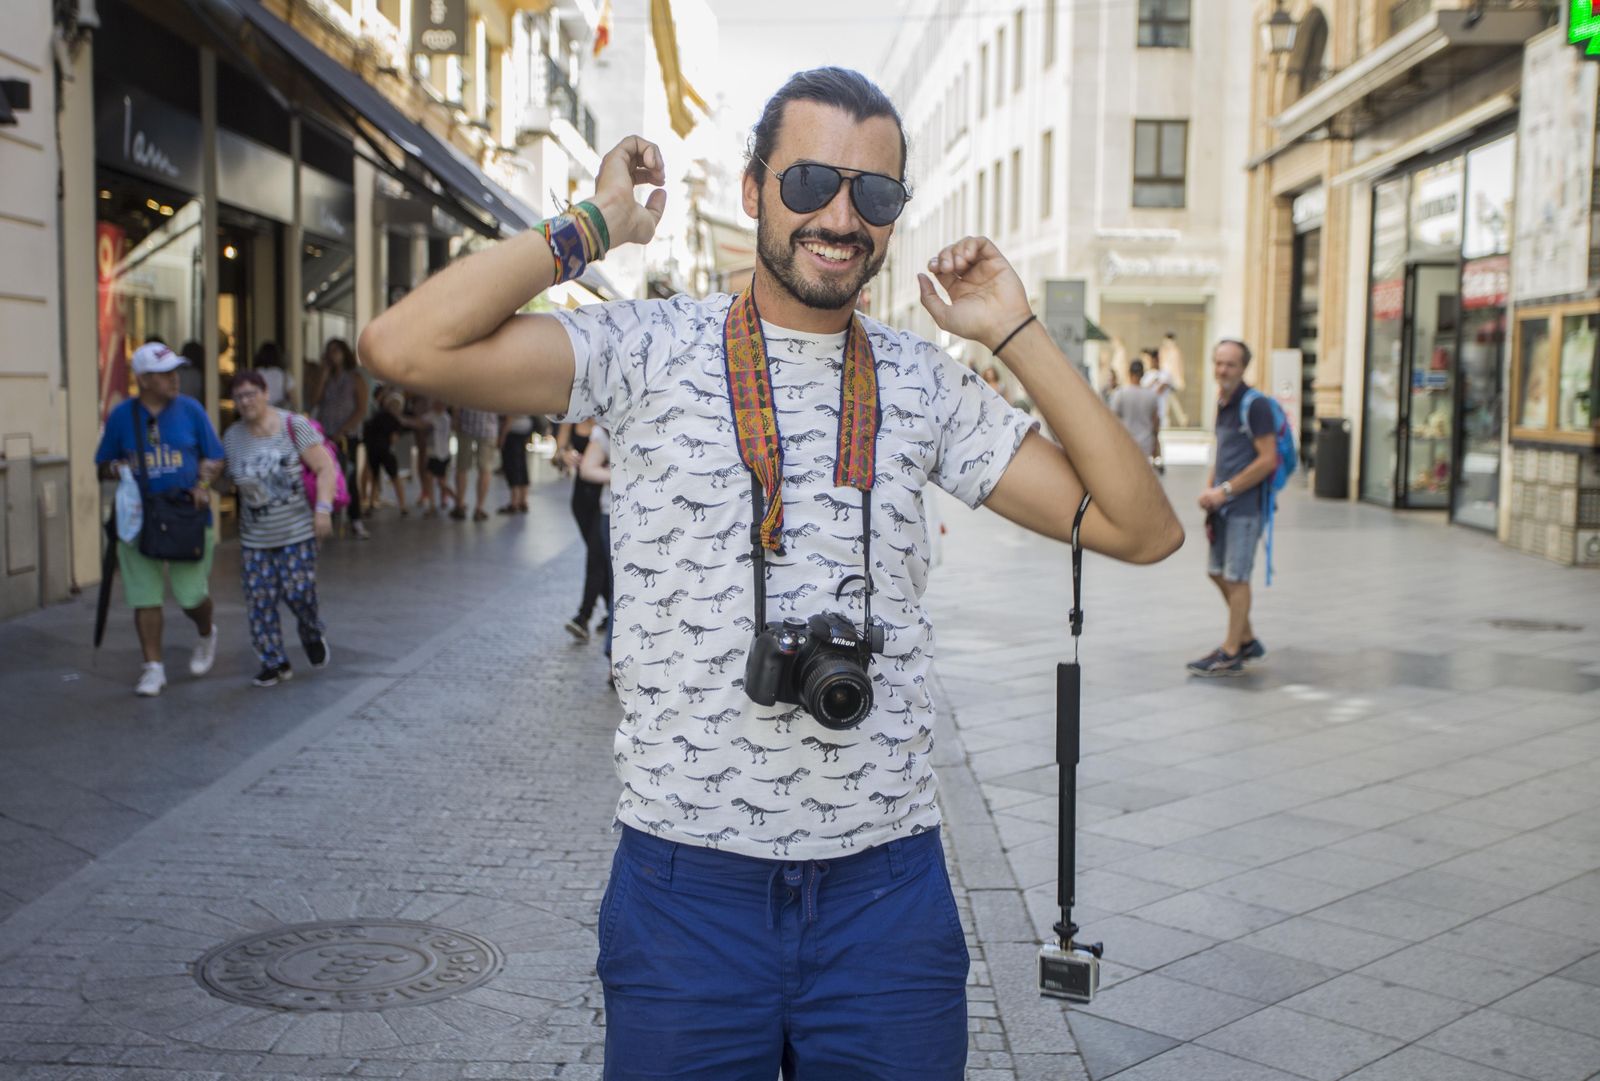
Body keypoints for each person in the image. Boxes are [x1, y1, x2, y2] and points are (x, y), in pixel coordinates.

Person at [358, 67, 1181, 1078]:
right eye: (808, 184)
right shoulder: (645, 349)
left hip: (885, 903)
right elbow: (401, 345)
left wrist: (1014, 331)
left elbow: (1142, 530)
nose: (839, 215)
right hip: (685, 899)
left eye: (873, 195)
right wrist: (592, 226)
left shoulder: (926, 384)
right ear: (752, 191)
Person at [94, 341, 225, 697]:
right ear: (143, 379)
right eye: (165, 373)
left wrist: (204, 482)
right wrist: (116, 467)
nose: (174, 379)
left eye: (175, 371)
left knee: (190, 595)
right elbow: (102, 465)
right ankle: (153, 667)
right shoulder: (122, 416)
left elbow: (215, 457)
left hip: (186, 515)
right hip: (139, 517)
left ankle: (205, 631)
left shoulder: (191, 410)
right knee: (144, 596)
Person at [222, 370, 338, 686]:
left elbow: (325, 466)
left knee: (298, 591)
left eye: (250, 394)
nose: (245, 402)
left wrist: (323, 509)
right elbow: (226, 479)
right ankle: (274, 661)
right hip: (255, 537)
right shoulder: (232, 437)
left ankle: (311, 631)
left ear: (265, 394)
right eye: (239, 397)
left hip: (296, 532)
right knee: (260, 599)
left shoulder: (292, 425)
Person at [1189, 338, 1276, 677]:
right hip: (1222, 506)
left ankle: (1231, 651)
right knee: (1217, 571)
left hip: (1245, 508)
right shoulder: (1223, 401)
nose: (1223, 370)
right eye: (1219, 363)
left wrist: (1224, 491)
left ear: (1243, 368)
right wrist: (1211, 489)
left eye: (1230, 364)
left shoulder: (1255, 406)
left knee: (1237, 578)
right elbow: (1222, 449)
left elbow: (1267, 460)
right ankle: (1249, 639)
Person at [310, 337, 370, 539]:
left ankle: (356, 519)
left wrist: (344, 429)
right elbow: (315, 400)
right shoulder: (326, 378)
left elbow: (361, 409)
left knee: (349, 475)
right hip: (325, 434)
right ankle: (328, 515)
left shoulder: (355, 378)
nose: (333, 355)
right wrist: (323, 375)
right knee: (324, 474)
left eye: (336, 351)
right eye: (330, 351)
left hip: (346, 435)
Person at [557, 419, 610, 640]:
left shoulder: (607, 419)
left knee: (595, 557)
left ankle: (583, 616)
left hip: (604, 498)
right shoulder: (573, 418)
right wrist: (565, 454)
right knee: (597, 556)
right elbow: (558, 453)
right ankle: (611, 609)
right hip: (582, 499)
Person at [576, 426, 614, 662]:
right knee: (620, 589)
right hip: (613, 513)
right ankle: (615, 658)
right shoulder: (605, 429)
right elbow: (587, 469)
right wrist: (624, 474)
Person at [363, 389, 422, 517]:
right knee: (394, 477)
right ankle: (402, 505)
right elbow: (393, 438)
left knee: (374, 477)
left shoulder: (377, 416)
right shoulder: (394, 421)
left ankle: (371, 503)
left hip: (373, 450)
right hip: (385, 451)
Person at [1110, 357, 1162, 470]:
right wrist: (1156, 444)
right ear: (1143, 374)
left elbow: (1113, 419)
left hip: (1126, 441)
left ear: (1129, 373)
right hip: (1146, 442)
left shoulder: (1120, 394)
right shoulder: (1151, 396)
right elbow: (1156, 422)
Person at [451, 406, 497, 521]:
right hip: (487, 427)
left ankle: (460, 505)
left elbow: (458, 398)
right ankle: (479, 508)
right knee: (485, 469)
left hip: (466, 425)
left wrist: (455, 418)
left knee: (463, 467)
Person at [417, 398, 457, 518]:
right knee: (430, 478)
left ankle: (457, 500)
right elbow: (419, 422)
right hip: (434, 454)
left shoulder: (445, 418)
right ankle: (433, 505)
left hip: (442, 454)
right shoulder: (430, 416)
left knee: (441, 483)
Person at [1140, 345, 1189, 428]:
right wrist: (1153, 382)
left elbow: (1162, 388)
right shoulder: (1147, 376)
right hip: (1150, 414)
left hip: (1163, 414)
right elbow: (1143, 389)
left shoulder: (1166, 374)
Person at [497, 413, 535, 514]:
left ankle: (515, 501)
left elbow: (509, 417)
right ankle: (523, 500)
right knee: (521, 465)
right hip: (524, 430)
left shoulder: (510, 398)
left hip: (513, 432)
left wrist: (502, 437)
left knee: (512, 467)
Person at [253, 342, 294, 408]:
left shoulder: (254, 373)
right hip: (278, 411)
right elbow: (293, 397)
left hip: (260, 409)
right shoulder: (284, 374)